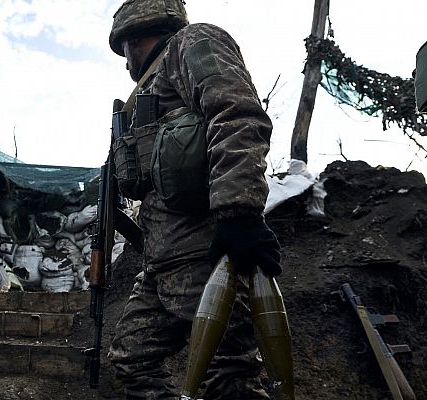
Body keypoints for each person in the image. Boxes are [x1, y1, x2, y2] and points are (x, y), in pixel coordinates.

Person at [106, 0, 283, 399]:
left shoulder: (193, 43)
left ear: (133, 37)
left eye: (124, 51)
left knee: (229, 376)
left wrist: (239, 213)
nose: (125, 63)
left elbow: (236, 115)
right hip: (160, 263)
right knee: (130, 359)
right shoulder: (141, 99)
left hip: (207, 258)